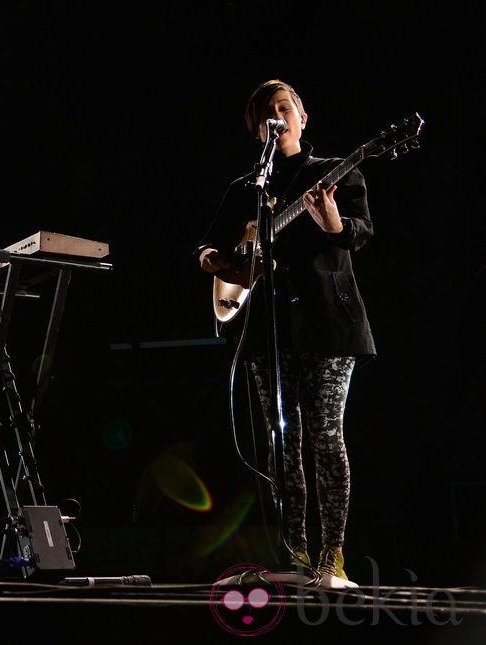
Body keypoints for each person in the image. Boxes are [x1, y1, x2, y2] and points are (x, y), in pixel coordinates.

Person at [195, 80, 376, 581]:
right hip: (267, 327)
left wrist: (333, 220)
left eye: (285, 108)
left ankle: (331, 556)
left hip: (328, 323)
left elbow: (361, 232)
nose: (278, 117)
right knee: (282, 440)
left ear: (302, 117)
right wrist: (214, 261)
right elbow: (209, 244)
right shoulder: (246, 189)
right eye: (267, 114)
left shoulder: (334, 173)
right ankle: (291, 555)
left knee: (324, 434)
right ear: (259, 130)